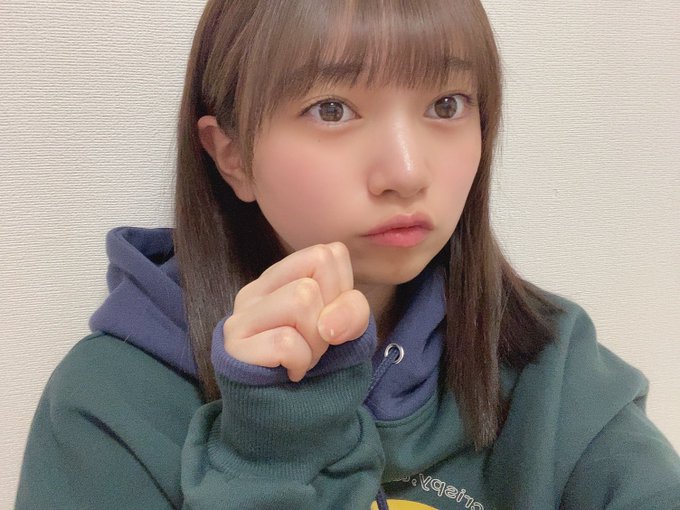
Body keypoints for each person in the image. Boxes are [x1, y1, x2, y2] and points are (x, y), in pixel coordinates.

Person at [15, 1, 680, 508]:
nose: (407, 172)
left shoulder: (552, 368)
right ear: (232, 155)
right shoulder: (112, 406)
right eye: (332, 109)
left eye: (446, 104)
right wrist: (272, 454)